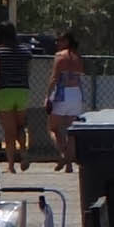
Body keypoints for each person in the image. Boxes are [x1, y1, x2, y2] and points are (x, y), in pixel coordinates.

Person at [0, 22, 31, 172]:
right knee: (20, 126)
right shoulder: (25, 51)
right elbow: (28, 71)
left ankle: (11, 165)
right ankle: (24, 151)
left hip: (4, 92)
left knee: (9, 131)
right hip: (22, 92)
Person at [44, 30, 85, 173]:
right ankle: (69, 164)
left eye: (60, 40)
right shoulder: (78, 57)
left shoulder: (60, 56)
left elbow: (54, 78)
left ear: (67, 41)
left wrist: (48, 97)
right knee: (71, 131)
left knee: (53, 128)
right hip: (77, 94)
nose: (57, 43)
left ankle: (62, 153)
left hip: (62, 93)